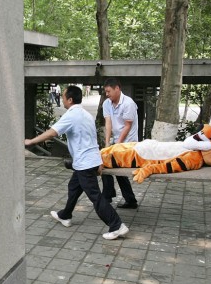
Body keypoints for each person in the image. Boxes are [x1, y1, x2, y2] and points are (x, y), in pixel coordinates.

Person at [25, 85, 128, 240]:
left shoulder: (71, 115)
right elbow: (93, 140)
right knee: (74, 187)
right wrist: (98, 161)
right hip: (89, 160)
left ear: (70, 99)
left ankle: (116, 225)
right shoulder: (86, 114)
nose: (63, 99)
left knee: (95, 196)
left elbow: (52, 133)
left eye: (64, 96)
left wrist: (31, 141)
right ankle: (65, 215)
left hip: (85, 163)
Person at [101, 78, 139, 209]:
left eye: (109, 91)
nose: (107, 94)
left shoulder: (129, 103)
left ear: (117, 88)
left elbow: (127, 126)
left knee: (109, 165)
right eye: (105, 92)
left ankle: (107, 196)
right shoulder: (107, 103)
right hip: (116, 141)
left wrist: (116, 145)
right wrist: (107, 143)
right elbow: (108, 123)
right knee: (108, 162)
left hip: (129, 143)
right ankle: (129, 199)